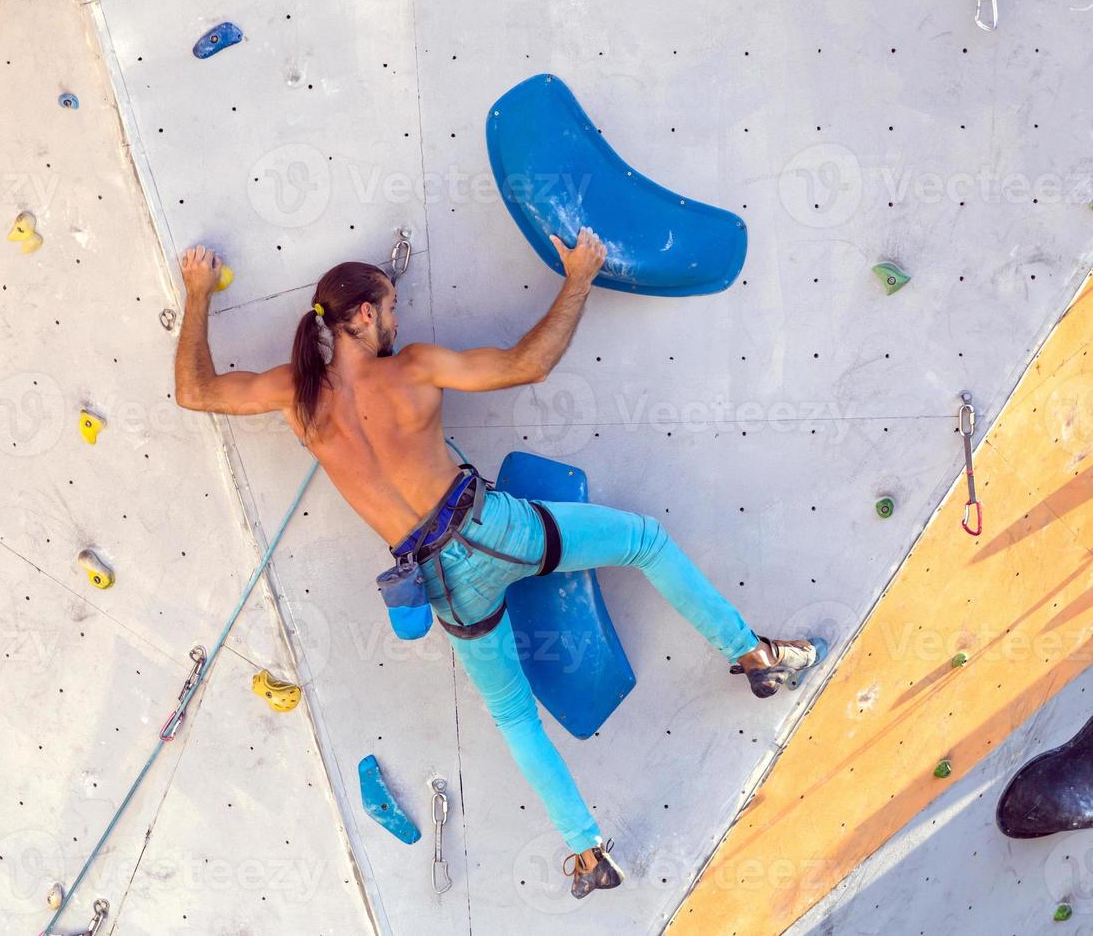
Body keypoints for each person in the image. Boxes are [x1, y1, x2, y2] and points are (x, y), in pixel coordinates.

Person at [172, 230, 822, 899]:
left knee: (514, 716)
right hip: (493, 529)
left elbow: (193, 391)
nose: (397, 321)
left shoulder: (295, 395)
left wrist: (197, 293)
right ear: (362, 315)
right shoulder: (412, 368)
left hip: (438, 583)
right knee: (645, 542)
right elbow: (528, 364)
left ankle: (588, 850)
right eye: (390, 307)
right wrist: (578, 279)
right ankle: (751, 654)